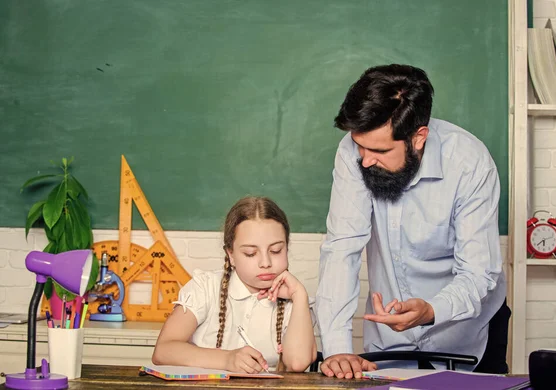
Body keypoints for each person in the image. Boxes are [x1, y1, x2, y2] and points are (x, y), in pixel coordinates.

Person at [315, 64, 510, 379]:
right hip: (389, 338)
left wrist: (432, 310)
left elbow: (478, 273)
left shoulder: (470, 162)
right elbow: (341, 249)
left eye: (379, 150)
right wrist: (337, 349)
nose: (365, 160)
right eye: (359, 146)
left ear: (419, 138)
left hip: (467, 331)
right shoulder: (355, 151)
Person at [153, 196, 317, 373]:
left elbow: (298, 363)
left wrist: (299, 294)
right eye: (250, 253)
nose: (265, 262)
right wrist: (227, 359)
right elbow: (163, 351)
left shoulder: (294, 300)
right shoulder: (206, 287)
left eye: (276, 250)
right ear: (230, 254)